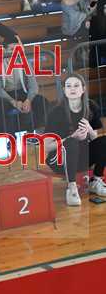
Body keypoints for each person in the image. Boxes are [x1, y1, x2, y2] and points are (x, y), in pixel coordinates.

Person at [43, 74, 106, 206]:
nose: (72, 89)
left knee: (104, 140)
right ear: (64, 90)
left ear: (83, 89)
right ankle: (71, 187)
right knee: (71, 142)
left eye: (76, 85)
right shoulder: (56, 112)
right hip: (59, 160)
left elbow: (96, 139)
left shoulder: (91, 107)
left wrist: (89, 129)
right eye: (69, 86)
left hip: (82, 158)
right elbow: (47, 147)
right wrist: (71, 137)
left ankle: (96, 180)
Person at [0, 43, 49, 133]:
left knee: (41, 101)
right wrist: (13, 102)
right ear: (4, 50)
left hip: (22, 91)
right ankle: (10, 135)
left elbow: (33, 84)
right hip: (6, 95)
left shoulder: (24, 61)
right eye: (12, 49)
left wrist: (28, 100)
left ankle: (37, 131)